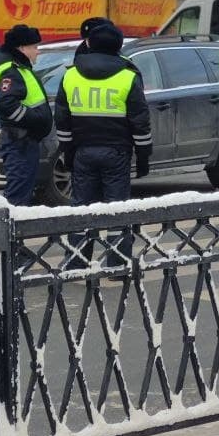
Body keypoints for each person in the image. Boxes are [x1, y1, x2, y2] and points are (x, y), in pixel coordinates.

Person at [55, 21, 152, 265]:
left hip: (82, 152)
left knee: (82, 209)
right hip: (117, 152)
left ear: (88, 43)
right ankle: (117, 264)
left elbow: (63, 120)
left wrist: (67, 153)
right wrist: (143, 157)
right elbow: (140, 122)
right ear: (119, 47)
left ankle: (76, 263)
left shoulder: (70, 75)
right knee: (116, 208)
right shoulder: (128, 77)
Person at [0, 24, 52, 205]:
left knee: (23, 191)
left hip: (23, 141)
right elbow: (5, 104)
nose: (37, 52)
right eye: (34, 47)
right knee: (18, 195)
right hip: (20, 141)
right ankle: (9, 231)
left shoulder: (18, 68)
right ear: (22, 48)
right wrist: (32, 120)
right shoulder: (12, 70)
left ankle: (15, 229)